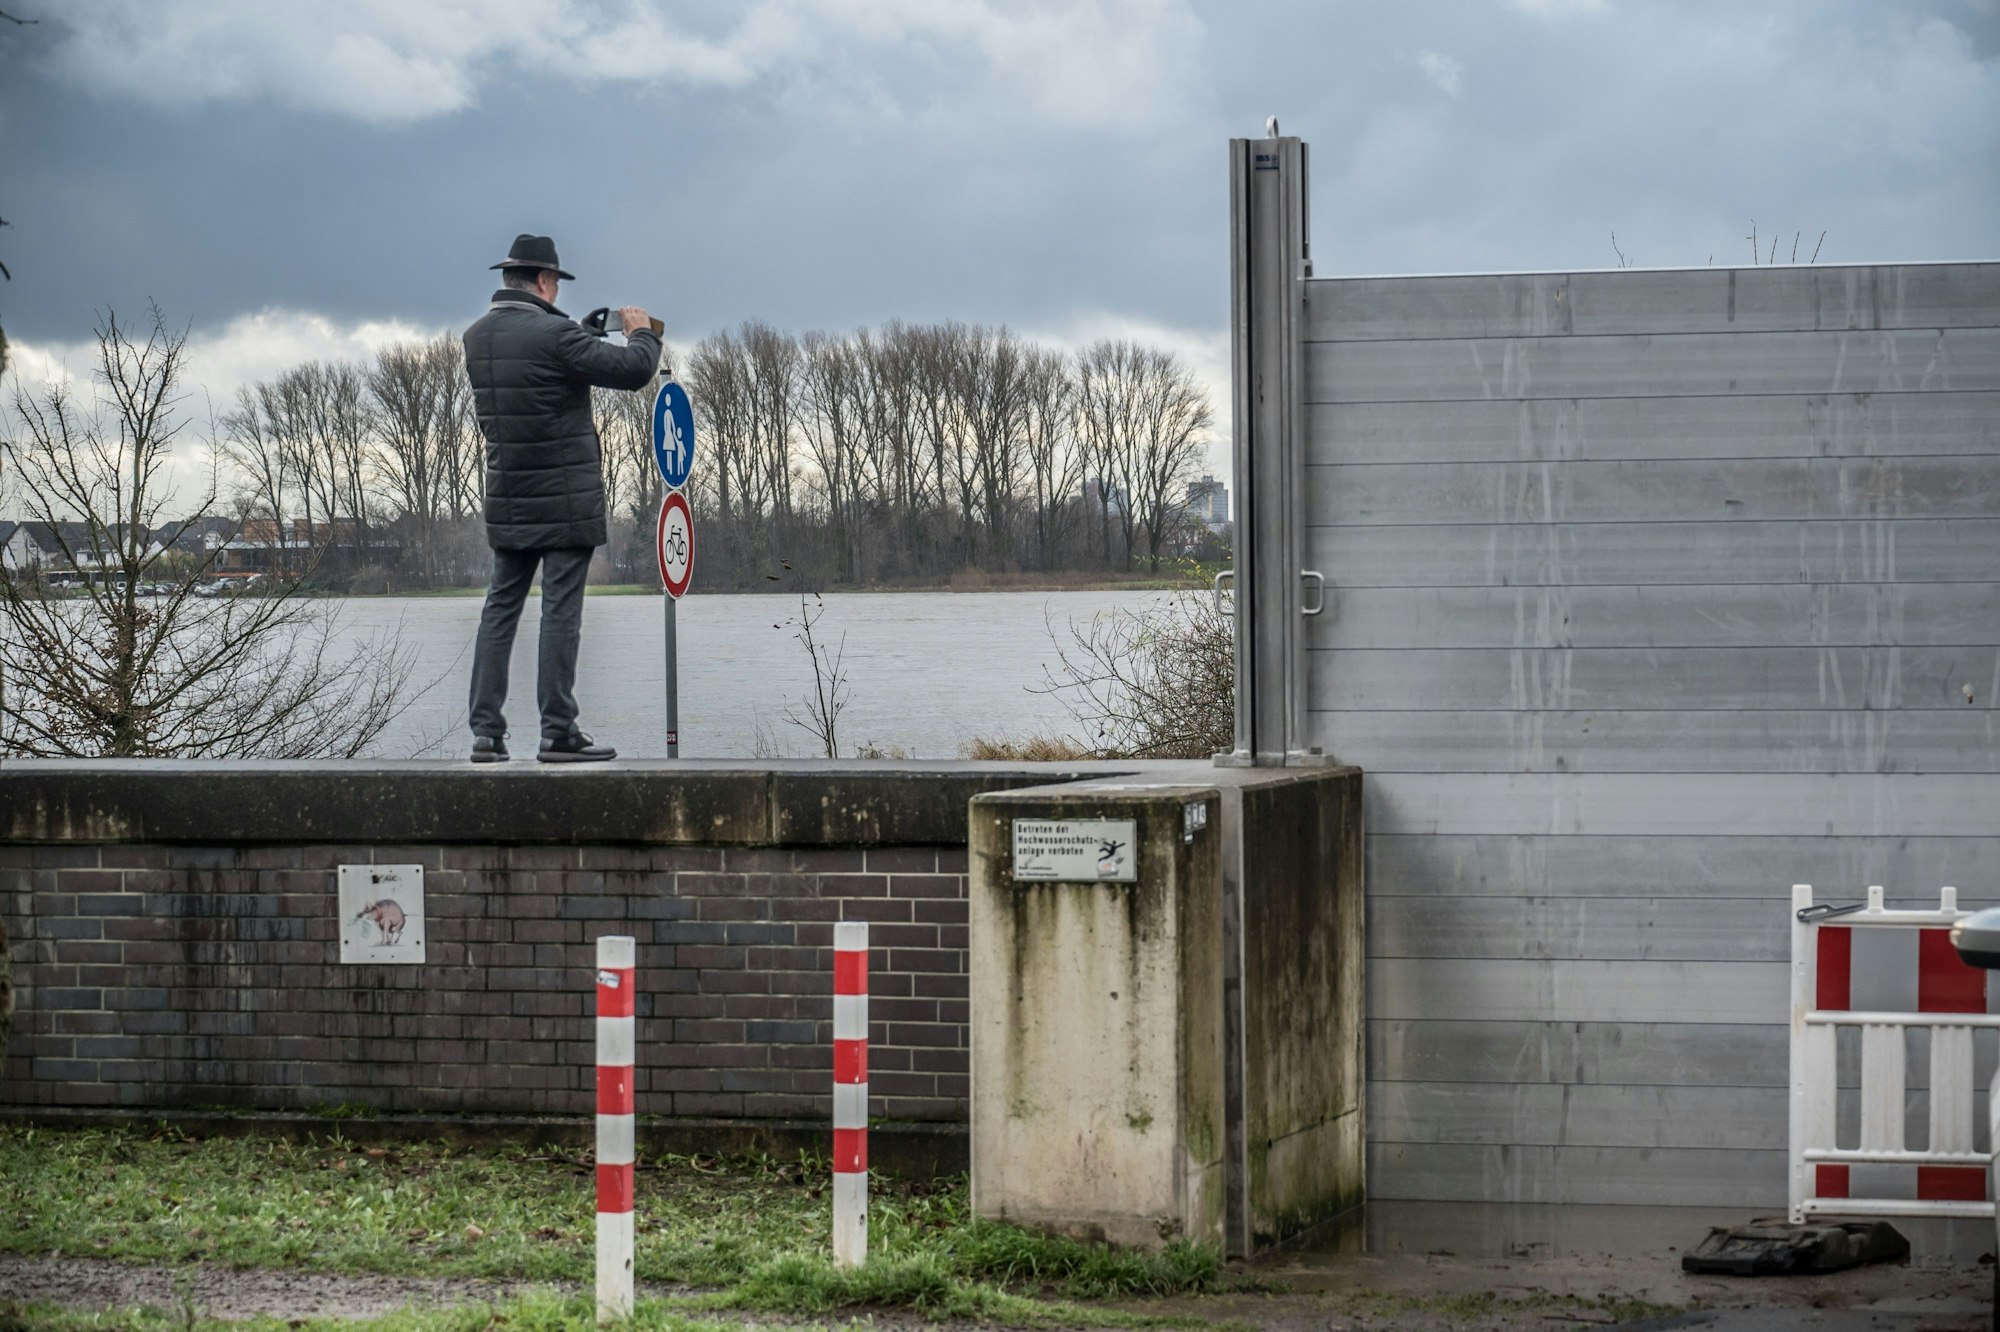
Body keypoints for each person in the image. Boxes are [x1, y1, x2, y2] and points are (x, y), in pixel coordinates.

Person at [462, 234, 660, 763]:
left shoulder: (476, 336)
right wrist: (640, 334)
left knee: (499, 608)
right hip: (566, 499)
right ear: (546, 282)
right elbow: (632, 371)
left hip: (509, 493)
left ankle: (486, 733)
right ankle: (558, 731)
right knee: (560, 612)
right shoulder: (554, 334)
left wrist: (578, 333)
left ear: (510, 279)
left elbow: (539, 371)